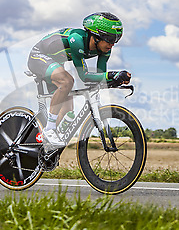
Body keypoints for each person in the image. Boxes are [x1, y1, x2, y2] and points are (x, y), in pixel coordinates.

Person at [27, 12, 131, 152]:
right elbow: (85, 76)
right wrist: (112, 75)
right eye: (110, 39)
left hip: (56, 63)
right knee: (67, 81)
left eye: (116, 40)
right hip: (38, 56)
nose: (112, 44)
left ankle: (43, 145)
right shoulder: (77, 40)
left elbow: (100, 77)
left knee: (67, 109)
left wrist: (115, 80)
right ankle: (49, 130)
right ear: (96, 36)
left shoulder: (105, 49)